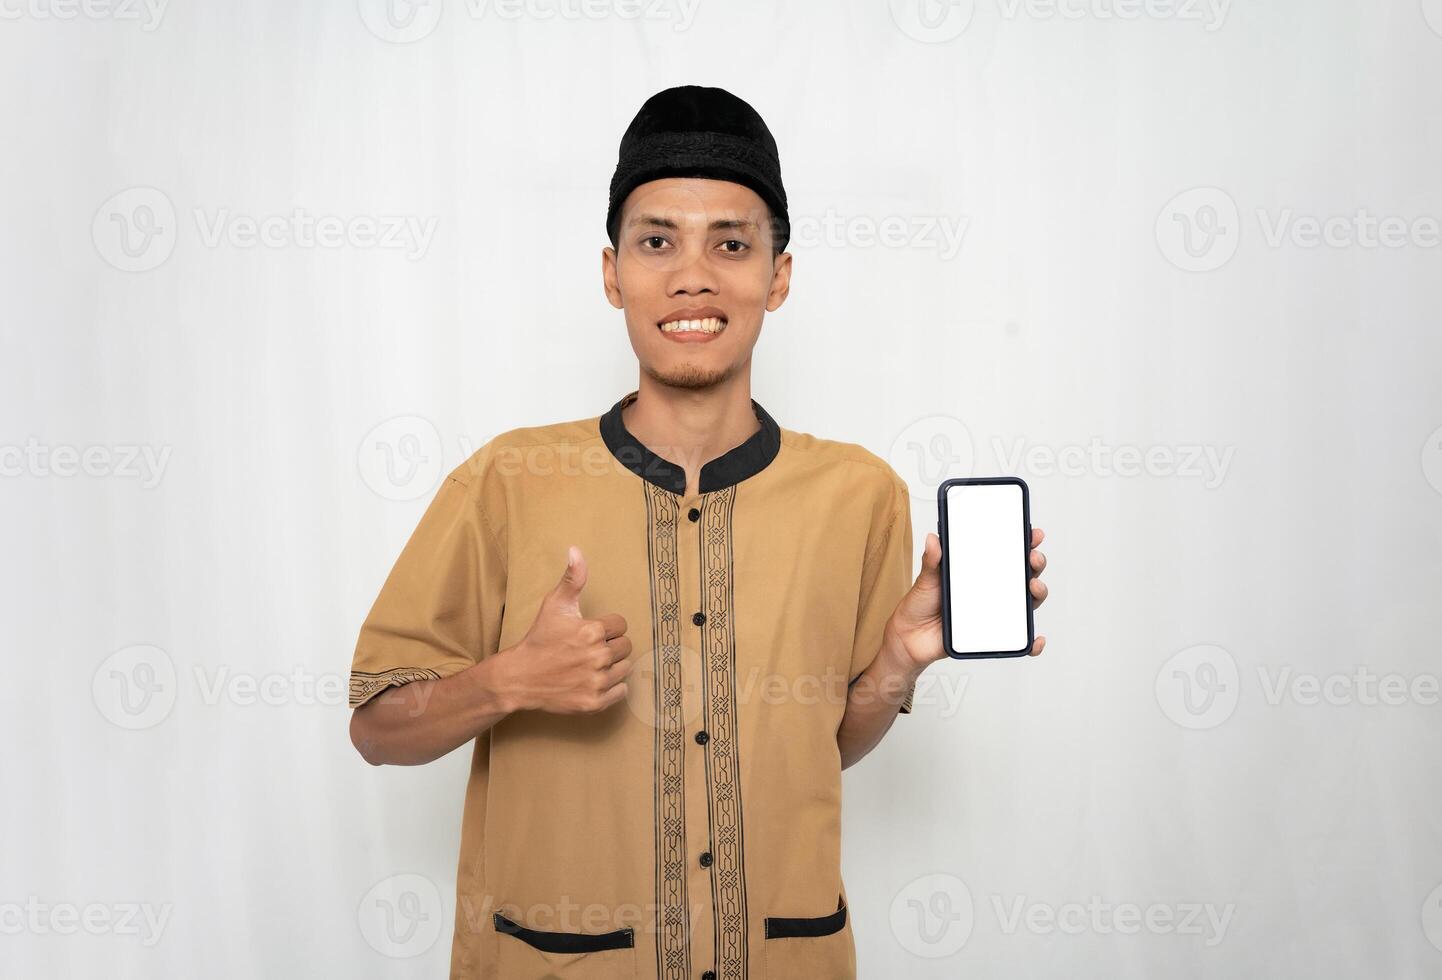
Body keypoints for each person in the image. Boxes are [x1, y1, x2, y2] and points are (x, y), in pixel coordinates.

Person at [347, 84, 1050, 980]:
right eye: (656, 242)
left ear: (778, 275)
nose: (693, 276)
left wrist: (896, 668)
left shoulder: (859, 493)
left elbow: (824, 745)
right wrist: (508, 679)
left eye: (731, 242)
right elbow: (376, 726)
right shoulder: (503, 484)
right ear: (612, 274)